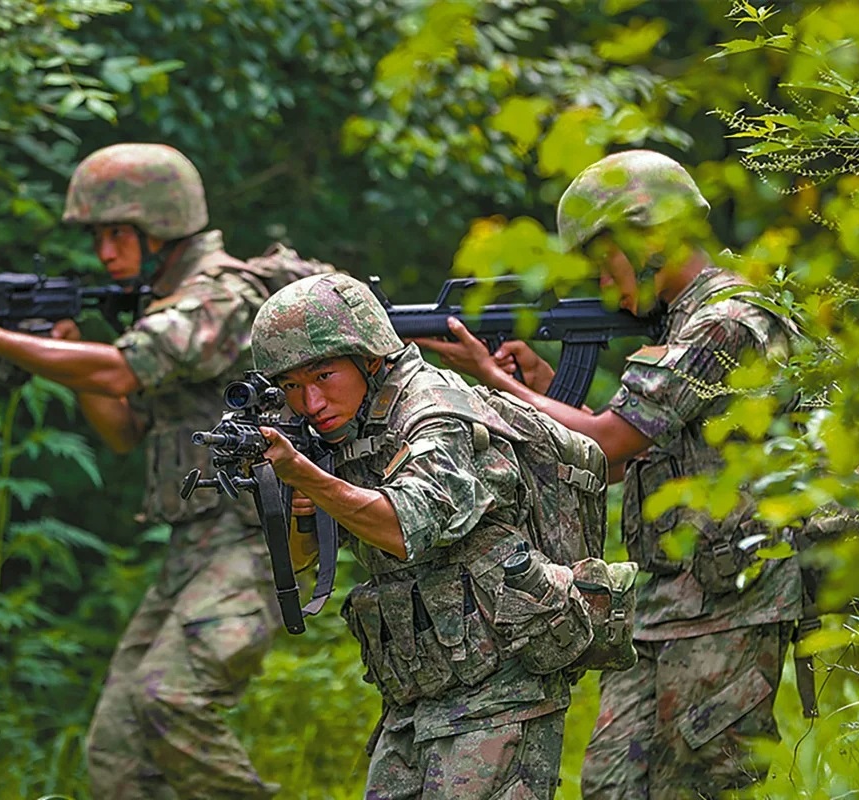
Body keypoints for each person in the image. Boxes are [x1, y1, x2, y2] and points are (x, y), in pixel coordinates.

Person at [411, 149, 804, 799]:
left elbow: (611, 437)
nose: (603, 287)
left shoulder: (729, 322)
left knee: (702, 786)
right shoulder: (685, 325)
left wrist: (492, 382)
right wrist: (533, 385)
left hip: (730, 607)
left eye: (604, 263)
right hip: (662, 606)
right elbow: (618, 457)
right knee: (610, 786)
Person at [0, 143, 302, 799]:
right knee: (119, 753)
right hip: (198, 544)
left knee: (171, 700)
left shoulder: (218, 295)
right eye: (97, 236)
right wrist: (63, 355)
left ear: (163, 225)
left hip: (256, 538)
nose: (103, 252)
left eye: (116, 233)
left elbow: (124, 369)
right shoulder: (166, 300)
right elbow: (126, 429)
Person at [249, 271, 599, 800]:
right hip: (418, 695)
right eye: (292, 387)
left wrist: (308, 478)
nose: (310, 402)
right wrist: (296, 500)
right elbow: (301, 563)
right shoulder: (345, 426)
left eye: (323, 376)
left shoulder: (433, 409)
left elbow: (407, 524)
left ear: (369, 357)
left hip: (501, 685)